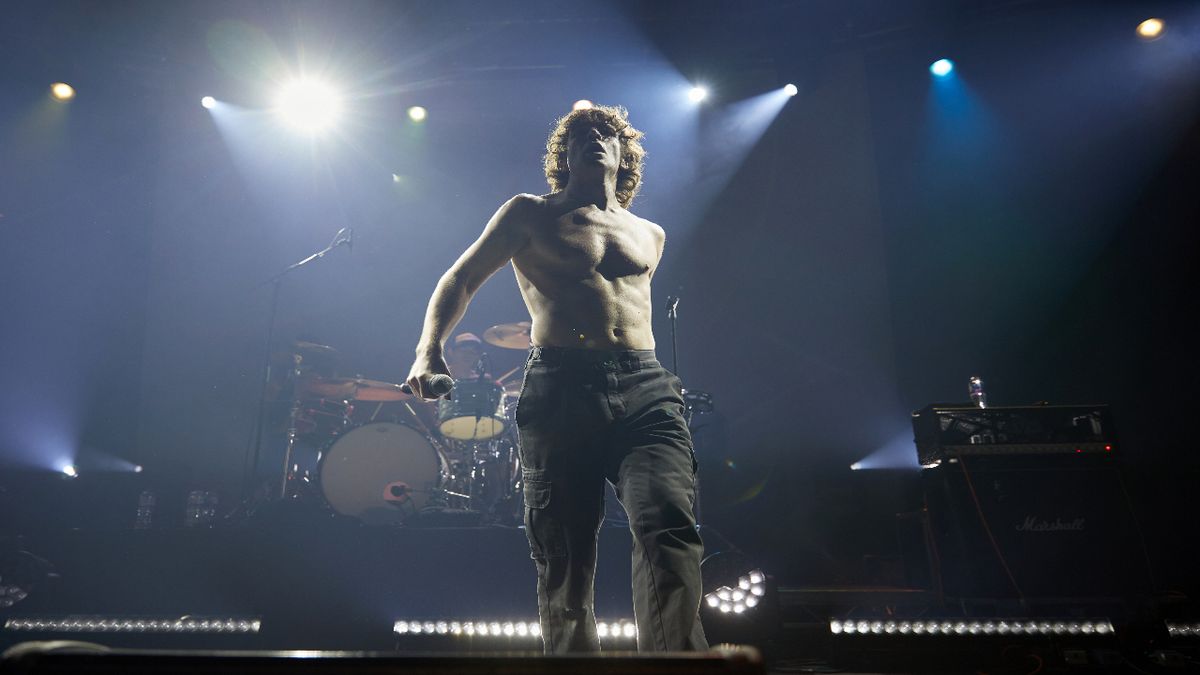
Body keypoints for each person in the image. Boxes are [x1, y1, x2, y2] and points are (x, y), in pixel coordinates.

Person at [405, 105, 707, 653]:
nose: (594, 140)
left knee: (669, 529)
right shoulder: (530, 213)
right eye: (580, 136)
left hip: (647, 389)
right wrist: (429, 351)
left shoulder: (650, 234)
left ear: (624, 155)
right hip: (563, 387)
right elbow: (462, 277)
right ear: (562, 158)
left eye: (606, 134)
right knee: (565, 552)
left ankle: (679, 665)